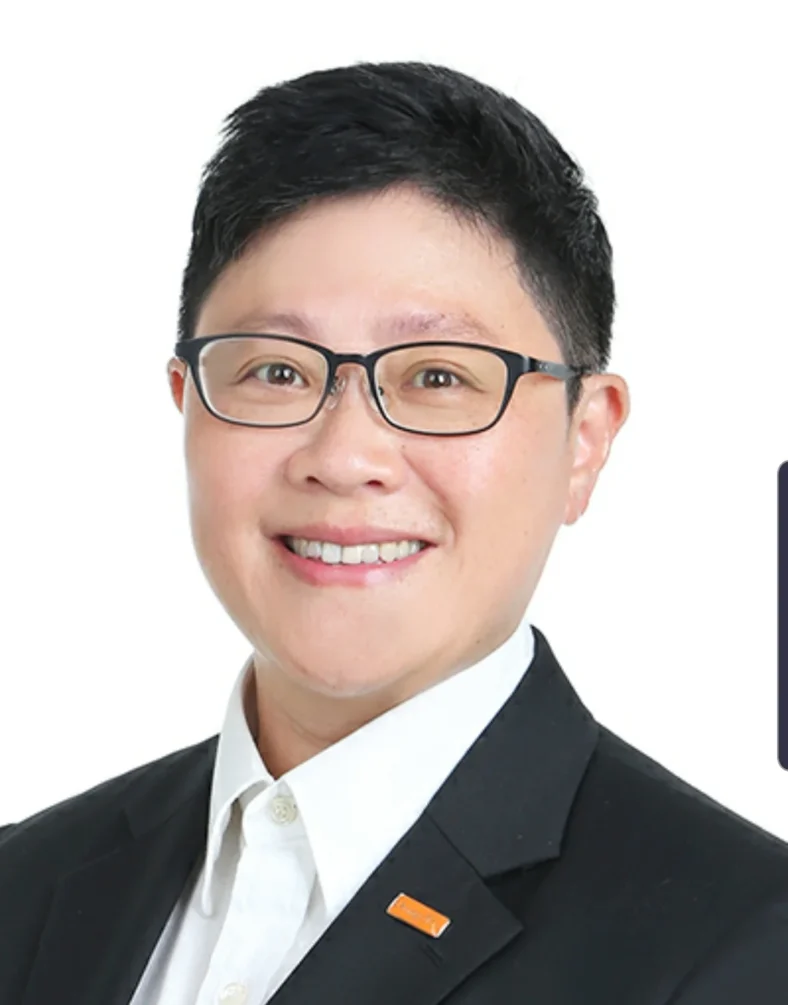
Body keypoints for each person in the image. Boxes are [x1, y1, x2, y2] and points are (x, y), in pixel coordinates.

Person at [1, 60, 786, 1005]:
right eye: (277, 372)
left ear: (585, 439)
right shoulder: (26, 884)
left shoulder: (745, 944)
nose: (344, 457)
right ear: (187, 403)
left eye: (439, 377)